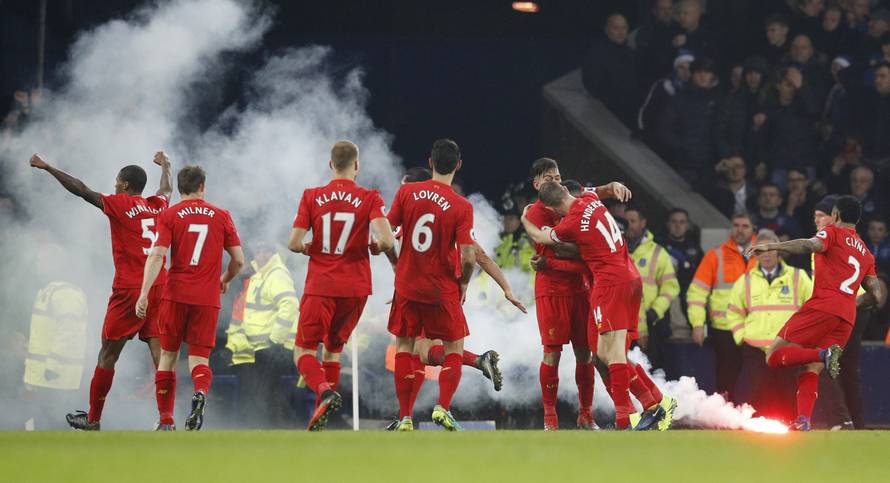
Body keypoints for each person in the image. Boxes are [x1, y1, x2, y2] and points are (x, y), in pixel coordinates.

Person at [29, 151, 172, 431]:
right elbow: (166, 188)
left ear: (126, 185)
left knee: (107, 354)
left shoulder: (118, 203)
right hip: (159, 285)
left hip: (130, 288)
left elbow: (81, 190)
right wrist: (167, 165)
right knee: (161, 355)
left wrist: (48, 167)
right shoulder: (158, 205)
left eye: (118, 181)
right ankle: (166, 420)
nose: (115, 184)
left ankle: (93, 419)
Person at [522, 180, 675, 430]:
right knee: (603, 353)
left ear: (554, 206)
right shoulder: (591, 202)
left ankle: (627, 420)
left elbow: (541, 236)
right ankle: (655, 402)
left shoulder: (570, 223)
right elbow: (591, 192)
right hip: (629, 276)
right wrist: (610, 186)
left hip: (609, 283)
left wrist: (526, 216)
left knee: (611, 354)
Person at [747, 195, 883, 431]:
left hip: (823, 305)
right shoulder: (866, 253)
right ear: (858, 220)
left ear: (837, 215)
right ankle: (803, 420)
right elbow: (876, 295)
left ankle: (822, 355)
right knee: (811, 369)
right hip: (846, 318)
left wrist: (772, 245)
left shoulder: (832, 233)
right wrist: (852, 303)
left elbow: (810, 245)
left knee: (773, 355)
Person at [286, 141, 394, 431]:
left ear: (330, 165)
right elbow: (387, 241)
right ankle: (324, 418)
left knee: (303, 352)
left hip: (321, 284)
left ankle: (324, 392)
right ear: (356, 166)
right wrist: (372, 245)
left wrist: (309, 247)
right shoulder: (370, 197)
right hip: (356, 288)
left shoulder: (312, 196)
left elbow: (293, 243)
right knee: (333, 349)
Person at [136, 165, 245, 431]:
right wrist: (224, 280)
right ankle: (200, 393)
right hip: (207, 298)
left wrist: (144, 293)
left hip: (175, 295)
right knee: (199, 360)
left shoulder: (170, 214)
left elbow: (158, 255)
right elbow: (239, 261)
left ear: (181, 187)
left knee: (168, 358)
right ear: (202, 187)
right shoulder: (221, 216)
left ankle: (165, 421)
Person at [386, 139, 476, 432]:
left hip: (408, 284)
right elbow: (468, 255)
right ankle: (443, 408)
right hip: (440, 288)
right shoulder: (462, 206)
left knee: (405, 345)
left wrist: (393, 261)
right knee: (454, 347)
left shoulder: (406, 192)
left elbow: (388, 231)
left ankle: (405, 417)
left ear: (430, 162)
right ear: (458, 166)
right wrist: (463, 282)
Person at [523, 158, 597, 430]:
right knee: (552, 354)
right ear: (537, 183)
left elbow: (576, 247)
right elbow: (565, 248)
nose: (555, 182)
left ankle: (586, 415)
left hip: (580, 288)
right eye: (548, 178)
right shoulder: (536, 214)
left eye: (557, 177)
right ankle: (550, 418)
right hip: (552, 290)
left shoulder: (574, 203)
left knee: (585, 353)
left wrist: (610, 187)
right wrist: (578, 246)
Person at [726, 229, 812, 421]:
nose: (765, 255)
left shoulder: (798, 277)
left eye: (769, 249)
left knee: (789, 395)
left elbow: (813, 308)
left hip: (788, 348)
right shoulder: (746, 281)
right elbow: (733, 312)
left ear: (778, 250)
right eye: (760, 251)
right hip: (756, 350)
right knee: (760, 396)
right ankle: (760, 442)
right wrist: (742, 337)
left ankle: (791, 436)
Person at [225, 242, 299, 428]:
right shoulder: (260, 275)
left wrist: (275, 339)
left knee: (268, 393)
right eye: (258, 250)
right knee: (265, 393)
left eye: (266, 250)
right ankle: (272, 429)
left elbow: (289, 305)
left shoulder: (276, 274)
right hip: (260, 348)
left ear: (273, 254)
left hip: (274, 346)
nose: (261, 254)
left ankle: (277, 429)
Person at [686, 211, 757, 399]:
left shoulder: (766, 253)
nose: (740, 230)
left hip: (758, 327)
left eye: (745, 226)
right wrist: (698, 324)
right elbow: (697, 292)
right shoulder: (715, 255)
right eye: (736, 225)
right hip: (725, 328)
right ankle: (724, 416)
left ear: (753, 229)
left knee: (759, 378)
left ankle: (758, 415)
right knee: (726, 376)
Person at [625, 207, 679, 369]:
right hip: (620, 324)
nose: (629, 225)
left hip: (650, 325)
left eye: (633, 221)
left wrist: (655, 311)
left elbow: (671, 288)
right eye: (626, 221)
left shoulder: (658, 252)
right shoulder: (614, 249)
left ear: (643, 223)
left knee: (650, 372)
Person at [656, 57, 721, 188]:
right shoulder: (679, 99)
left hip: (708, 164)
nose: (703, 76)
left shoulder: (719, 102)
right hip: (682, 162)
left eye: (707, 72)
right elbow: (664, 128)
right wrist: (682, 147)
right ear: (693, 74)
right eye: (699, 72)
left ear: (712, 76)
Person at [581, 13, 640, 127]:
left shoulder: (631, 54)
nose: (621, 32)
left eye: (624, 28)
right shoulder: (595, 54)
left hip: (631, 113)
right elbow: (593, 85)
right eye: (616, 28)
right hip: (607, 116)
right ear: (607, 30)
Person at [656, 208, 703, 315]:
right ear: (668, 224)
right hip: (662, 296)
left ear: (687, 225)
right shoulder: (657, 245)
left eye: (682, 222)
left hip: (687, 298)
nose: (678, 226)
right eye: (674, 222)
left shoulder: (694, 248)